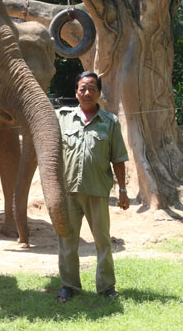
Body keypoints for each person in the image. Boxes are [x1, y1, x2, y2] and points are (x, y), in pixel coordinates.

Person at [56, 71, 130, 303]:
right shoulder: (62, 117)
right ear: (76, 92)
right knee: (67, 241)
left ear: (99, 93)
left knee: (103, 242)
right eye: (82, 88)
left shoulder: (110, 122)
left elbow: (118, 158)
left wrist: (123, 190)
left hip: (97, 191)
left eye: (92, 89)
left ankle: (107, 288)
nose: (87, 93)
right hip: (68, 192)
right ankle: (69, 286)